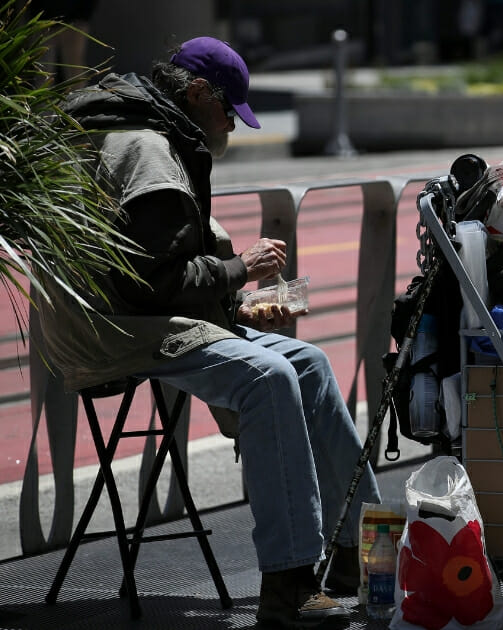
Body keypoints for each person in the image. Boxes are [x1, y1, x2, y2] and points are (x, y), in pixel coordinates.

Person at [35, 37, 381, 628]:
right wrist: (240, 268)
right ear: (198, 94)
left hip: (140, 311)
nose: (231, 127)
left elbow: (155, 271)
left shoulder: (155, 132)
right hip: (113, 327)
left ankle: (364, 552)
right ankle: (289, 583)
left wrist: (237, 305)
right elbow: (151, 284)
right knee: (269, 377)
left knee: (311, 365)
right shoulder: (146, 149)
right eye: (228, 112)